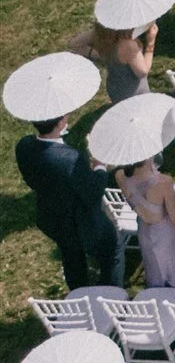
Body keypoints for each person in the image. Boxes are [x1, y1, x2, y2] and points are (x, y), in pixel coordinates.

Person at [15, 115, 118, 288]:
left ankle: (78, 292)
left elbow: (30, 179)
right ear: (60, 123)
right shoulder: (71, 159)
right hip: (81, 222)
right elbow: (93, 194)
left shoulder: (24, 144)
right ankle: (110, 289)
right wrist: (100, 167)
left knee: (71, 256)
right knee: (112, 250)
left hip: (51, 216)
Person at [114, 153, 175, 287]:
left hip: (144, 230)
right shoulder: (163, 182)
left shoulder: (120, 176)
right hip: (167, 235)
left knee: (154, 270)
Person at [70, 21, 155, 104]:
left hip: (114, 87)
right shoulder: (128, 45)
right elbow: (143, 72)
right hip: (134, 92)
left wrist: (98, 54)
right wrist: (151, 42)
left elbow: (74, 44)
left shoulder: (102, 36)